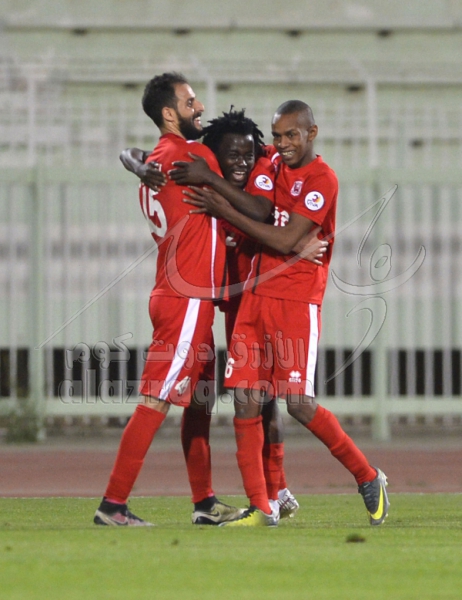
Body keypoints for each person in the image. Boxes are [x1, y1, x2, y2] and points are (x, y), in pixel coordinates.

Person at [183, 100, 390, 527]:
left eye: (291, 135)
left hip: (296, 302)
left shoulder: (322, 179)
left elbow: (284, 238)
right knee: (245, 401)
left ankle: (368, 476)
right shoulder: (271, 161)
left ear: (312, 133)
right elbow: (250, 183)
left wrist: (225, 210)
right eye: (277, 136)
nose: (282, 143)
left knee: (298, 404)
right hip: (255, 298)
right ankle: (263, 506)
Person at [122, 107, 328, 520]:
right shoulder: (202, 163)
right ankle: (212, 501)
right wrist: (138, 166)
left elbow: (263, 211)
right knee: (207, 399)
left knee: (261, 398)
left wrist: (291, 241)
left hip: (254, 296)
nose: (241, 162)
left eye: (246, 155)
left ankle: (276, 488)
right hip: (219, 299)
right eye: (232, 155)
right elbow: (136, 152)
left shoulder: (258, 164)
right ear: (213, 154)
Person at [94, 72, 244, 526]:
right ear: (168, 112)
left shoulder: (157, 161)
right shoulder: (194, 156)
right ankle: (113, 505)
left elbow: (139, 156)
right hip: (188, 297)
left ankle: (205, 503)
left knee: (199, 400)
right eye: (190, 101)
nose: (200, 107)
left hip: (179, 293)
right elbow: (239, 193)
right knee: (156, 398)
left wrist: (131, 157)